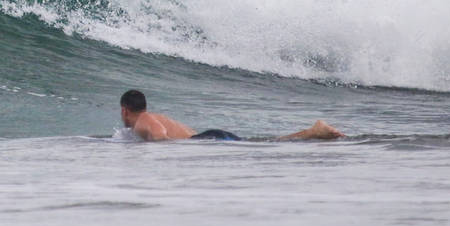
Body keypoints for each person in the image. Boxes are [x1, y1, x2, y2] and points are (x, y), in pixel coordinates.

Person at [119, 89, 345, 141]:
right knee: (265, 145)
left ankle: (314, 131)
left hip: (208, 141)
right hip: (208, 138)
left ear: (124, 110)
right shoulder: (155, 115)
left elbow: (160, 135)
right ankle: (313, 132)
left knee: (267, 146)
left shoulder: (143, 120)